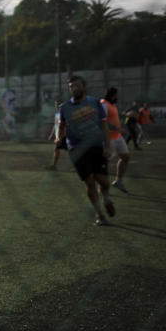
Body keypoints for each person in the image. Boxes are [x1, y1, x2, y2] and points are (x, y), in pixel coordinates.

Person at [57, 75, 116, 226]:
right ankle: (99, 214)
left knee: (104, 182)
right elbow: (61, 125)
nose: (74, 89)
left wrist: (108, 146)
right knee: (89, 182)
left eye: (77, 85)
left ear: (84, 87)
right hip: (76, 148)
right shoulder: (64, 107)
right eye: (71, 87)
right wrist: (59, 136)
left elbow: (103, 125)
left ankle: (107, 199)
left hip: (96, 145)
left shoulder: (95, 102)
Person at [100, 87, 131, 193]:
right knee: (104, 163)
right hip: (107, 138)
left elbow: (113, 118)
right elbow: (102, 122)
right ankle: (102, 187)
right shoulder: (103, 104)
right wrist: (118, 129)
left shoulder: (112, 104)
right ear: (113, 95)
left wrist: (125, 115)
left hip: (117, 137)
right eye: (116, 94)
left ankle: (118, 181)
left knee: (126, 157)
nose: (117, 97)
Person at [47, 100, 66, 169]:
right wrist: (51, 134)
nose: (56, 106)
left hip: (63, 135)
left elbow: (65, 125)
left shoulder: (64, 113)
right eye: (56, 104)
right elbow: (55, 125)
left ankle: (54, 165)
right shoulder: (57, 113)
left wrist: (61, 136)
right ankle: (54, 165)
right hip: (58, 135)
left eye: (58, 104)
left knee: (57, 149)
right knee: (56, 149)